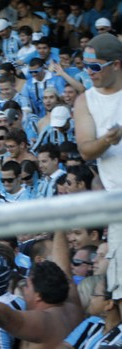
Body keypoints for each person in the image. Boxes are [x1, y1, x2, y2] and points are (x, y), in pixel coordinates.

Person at [74, 33, 122, 315]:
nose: (89, 73)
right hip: (117, 205)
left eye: (95, 67)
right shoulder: (85, 101)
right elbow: (86, 150)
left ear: (116, 65)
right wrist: (109, 140)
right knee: (117, 290)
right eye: (85, 66)